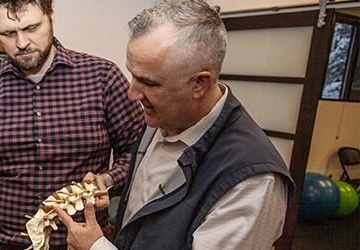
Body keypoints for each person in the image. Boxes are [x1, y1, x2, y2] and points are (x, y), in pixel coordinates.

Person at [54, 0, 295, 249]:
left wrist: (95, 247)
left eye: (149, 82)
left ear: (199, 84)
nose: (132, 94)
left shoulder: (253, 182)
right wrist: (110, 186)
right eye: (132, 75)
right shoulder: (161, 116)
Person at [0, 0, 144, 249]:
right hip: (0, 242)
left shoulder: (103, 78)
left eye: (32, 28)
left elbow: (137, 151)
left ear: (51, 14)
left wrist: (108, 181)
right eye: (8, 33)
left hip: (80, 242)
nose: (22, 43)